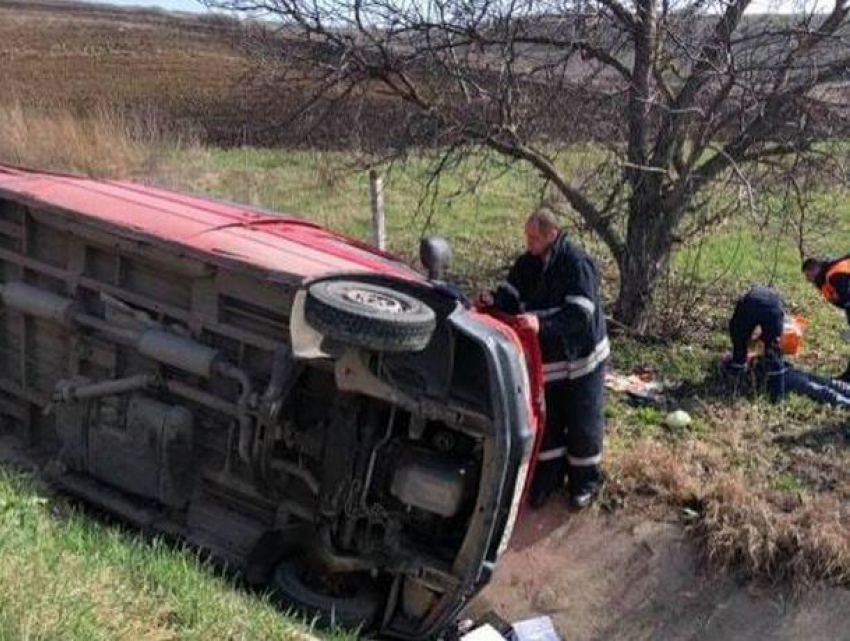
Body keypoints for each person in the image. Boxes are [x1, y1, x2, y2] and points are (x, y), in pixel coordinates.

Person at [480, 206, 608, 509]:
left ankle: (584, 483)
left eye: (534, 238)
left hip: (582, 357)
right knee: (549, 420)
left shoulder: (577, 263)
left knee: (583, 420)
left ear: (553, 234)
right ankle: (548, 478)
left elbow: (579, 313)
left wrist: (540, 321)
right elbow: (510, 295)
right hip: (548, 359)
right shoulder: (528, 263)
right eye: (527, 237)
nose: (529, 244)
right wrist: (493, 301)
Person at [725, 285, 788, 401]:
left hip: (750, 308)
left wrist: (744, 349)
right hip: (773, 312)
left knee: (739, 338)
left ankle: (736, 374)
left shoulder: (747, 300)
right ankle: (777, 395)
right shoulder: (777, 303)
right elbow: (768, 337)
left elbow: (739, 329)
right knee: (772, 349)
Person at [802, 254, 850, 381]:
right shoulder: (827, 276)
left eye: (809, 276)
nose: (809, 280)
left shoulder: (835, 275)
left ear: (815, 269)